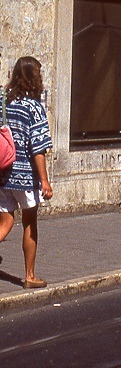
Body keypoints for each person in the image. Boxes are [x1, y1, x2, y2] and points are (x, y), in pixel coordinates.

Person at [0, 56, 54, 289]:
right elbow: (38, 148)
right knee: (29, 222)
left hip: (3, 172)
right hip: (25, 176)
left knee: (5, 220)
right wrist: (45, 181)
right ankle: (30, 276)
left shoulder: (2, 101)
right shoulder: (34, 107)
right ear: (33, 78)